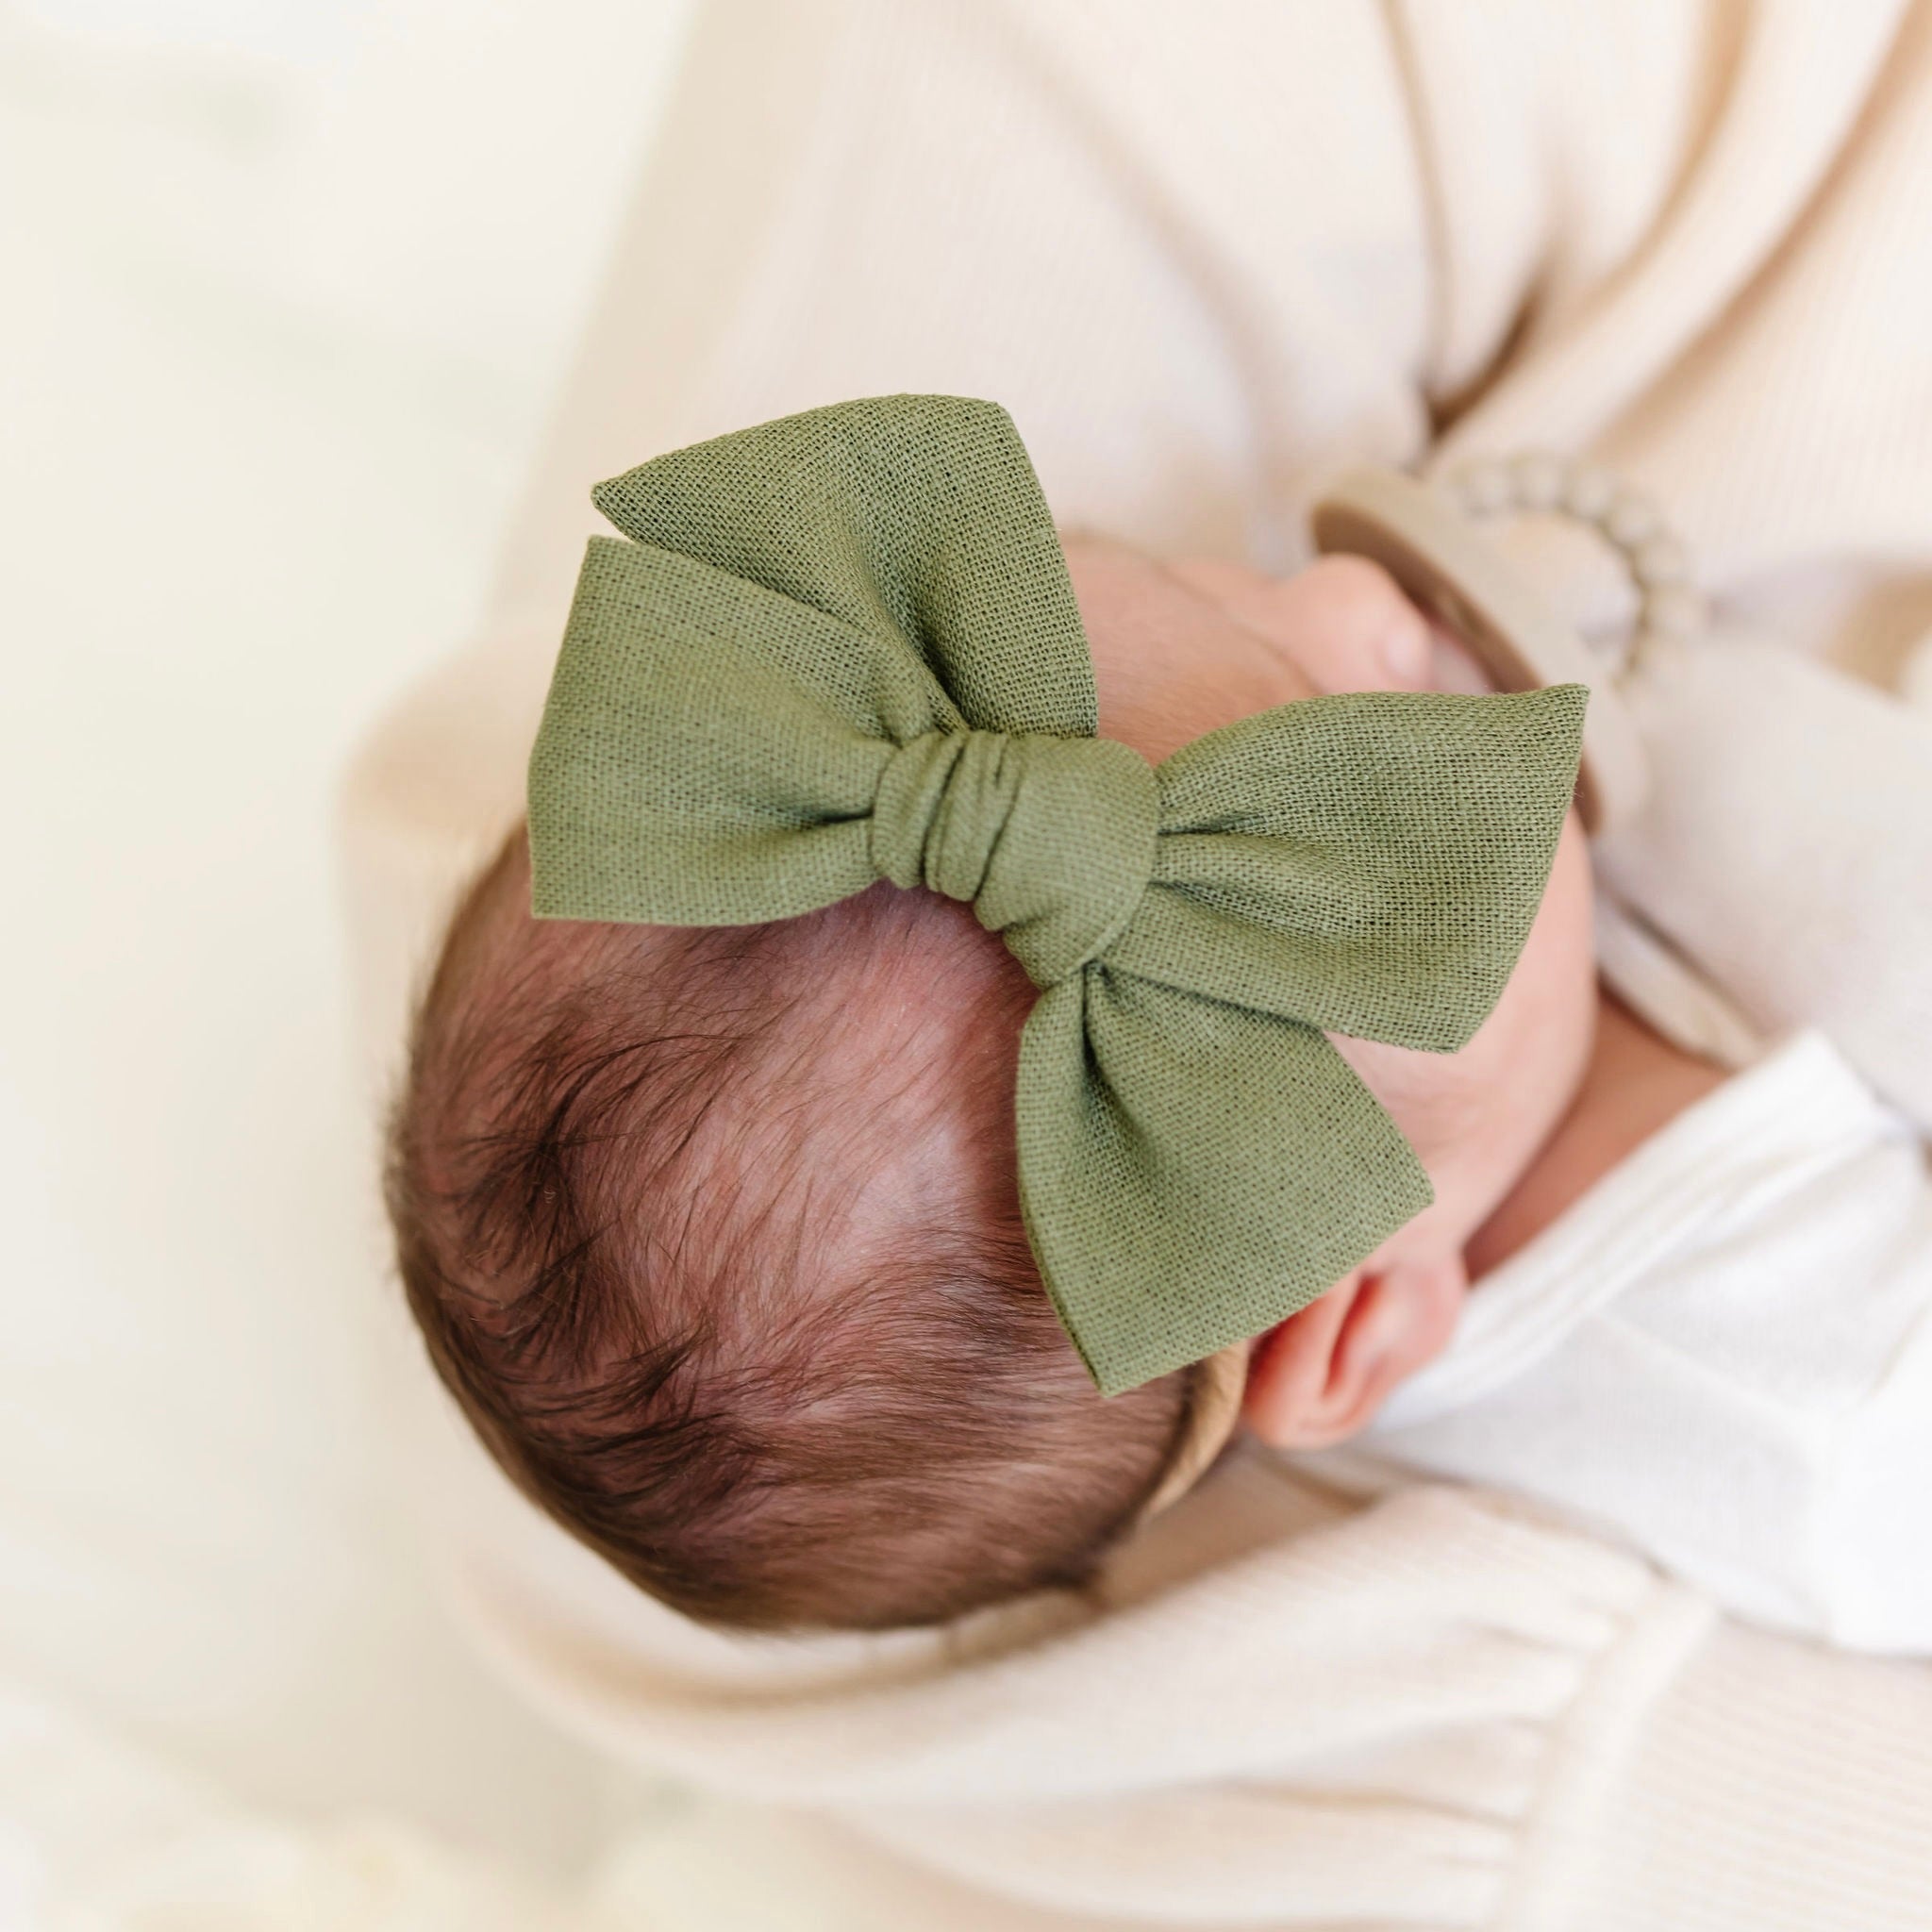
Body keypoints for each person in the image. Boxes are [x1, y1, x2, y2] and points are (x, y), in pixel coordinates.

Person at [342, 2, 1932, 1924]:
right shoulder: (1829, 1414)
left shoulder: (1522, 1004)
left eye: (1219, 584)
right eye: (1331, 772)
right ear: (1348, 1329)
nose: (1355, 591)